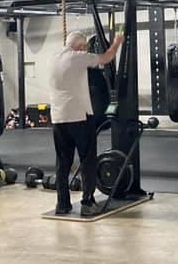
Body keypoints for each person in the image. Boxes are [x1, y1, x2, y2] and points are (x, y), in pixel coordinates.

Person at [50, 30, 125, 216]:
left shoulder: (54, 58)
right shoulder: (78, 57)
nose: (85, 50)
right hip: (79, 118)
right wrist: (117, 42)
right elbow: (106, 58)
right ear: (80, 46)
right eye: (84, 47)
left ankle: (62, 204)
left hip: (58, 119)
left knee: (62, 163)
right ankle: (87, 202)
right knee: (87, 160)